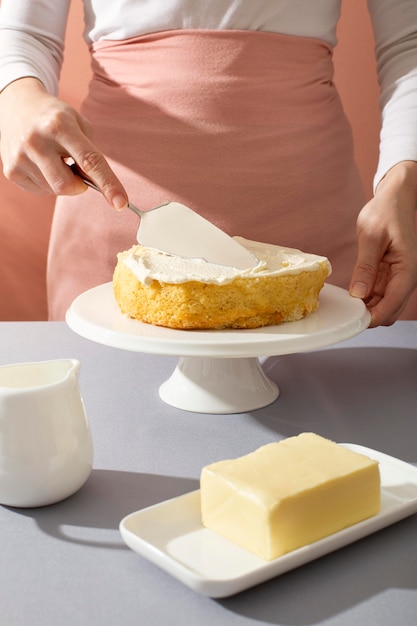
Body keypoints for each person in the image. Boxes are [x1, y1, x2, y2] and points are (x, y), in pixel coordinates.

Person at [0, 0, 416, 326]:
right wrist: (16, 93)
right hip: (117, 233)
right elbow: (20, 34)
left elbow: (409, 44)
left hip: (311, 238)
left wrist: (404, 178)